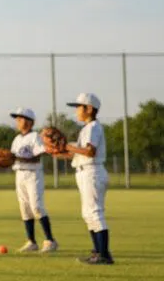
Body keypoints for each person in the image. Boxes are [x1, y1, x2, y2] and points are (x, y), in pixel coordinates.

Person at [54, 93, 113, 265]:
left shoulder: (93, 127)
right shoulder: (87, 128)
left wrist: (67, 146)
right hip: (86, 171)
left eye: (79, 107)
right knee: (88, 214)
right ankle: (98, 252)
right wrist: (58, 151)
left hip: (92, 172)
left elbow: (90, 151)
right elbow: (79, 152)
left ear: (89, 108)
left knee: (95, 213)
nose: (76, 111)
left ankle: (104, 255)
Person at [8, 108, 56, 253]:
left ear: (30, 122)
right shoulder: (17, 139)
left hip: (33, 174)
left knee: (37, 207)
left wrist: (15, 158)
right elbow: (11, 157)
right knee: (25, 209)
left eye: (20, 118)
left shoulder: (35, 136)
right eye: (17, 119)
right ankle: (31, 242)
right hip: (19, 175)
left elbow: (38, 155)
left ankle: (50, 241)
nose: (17, 121)